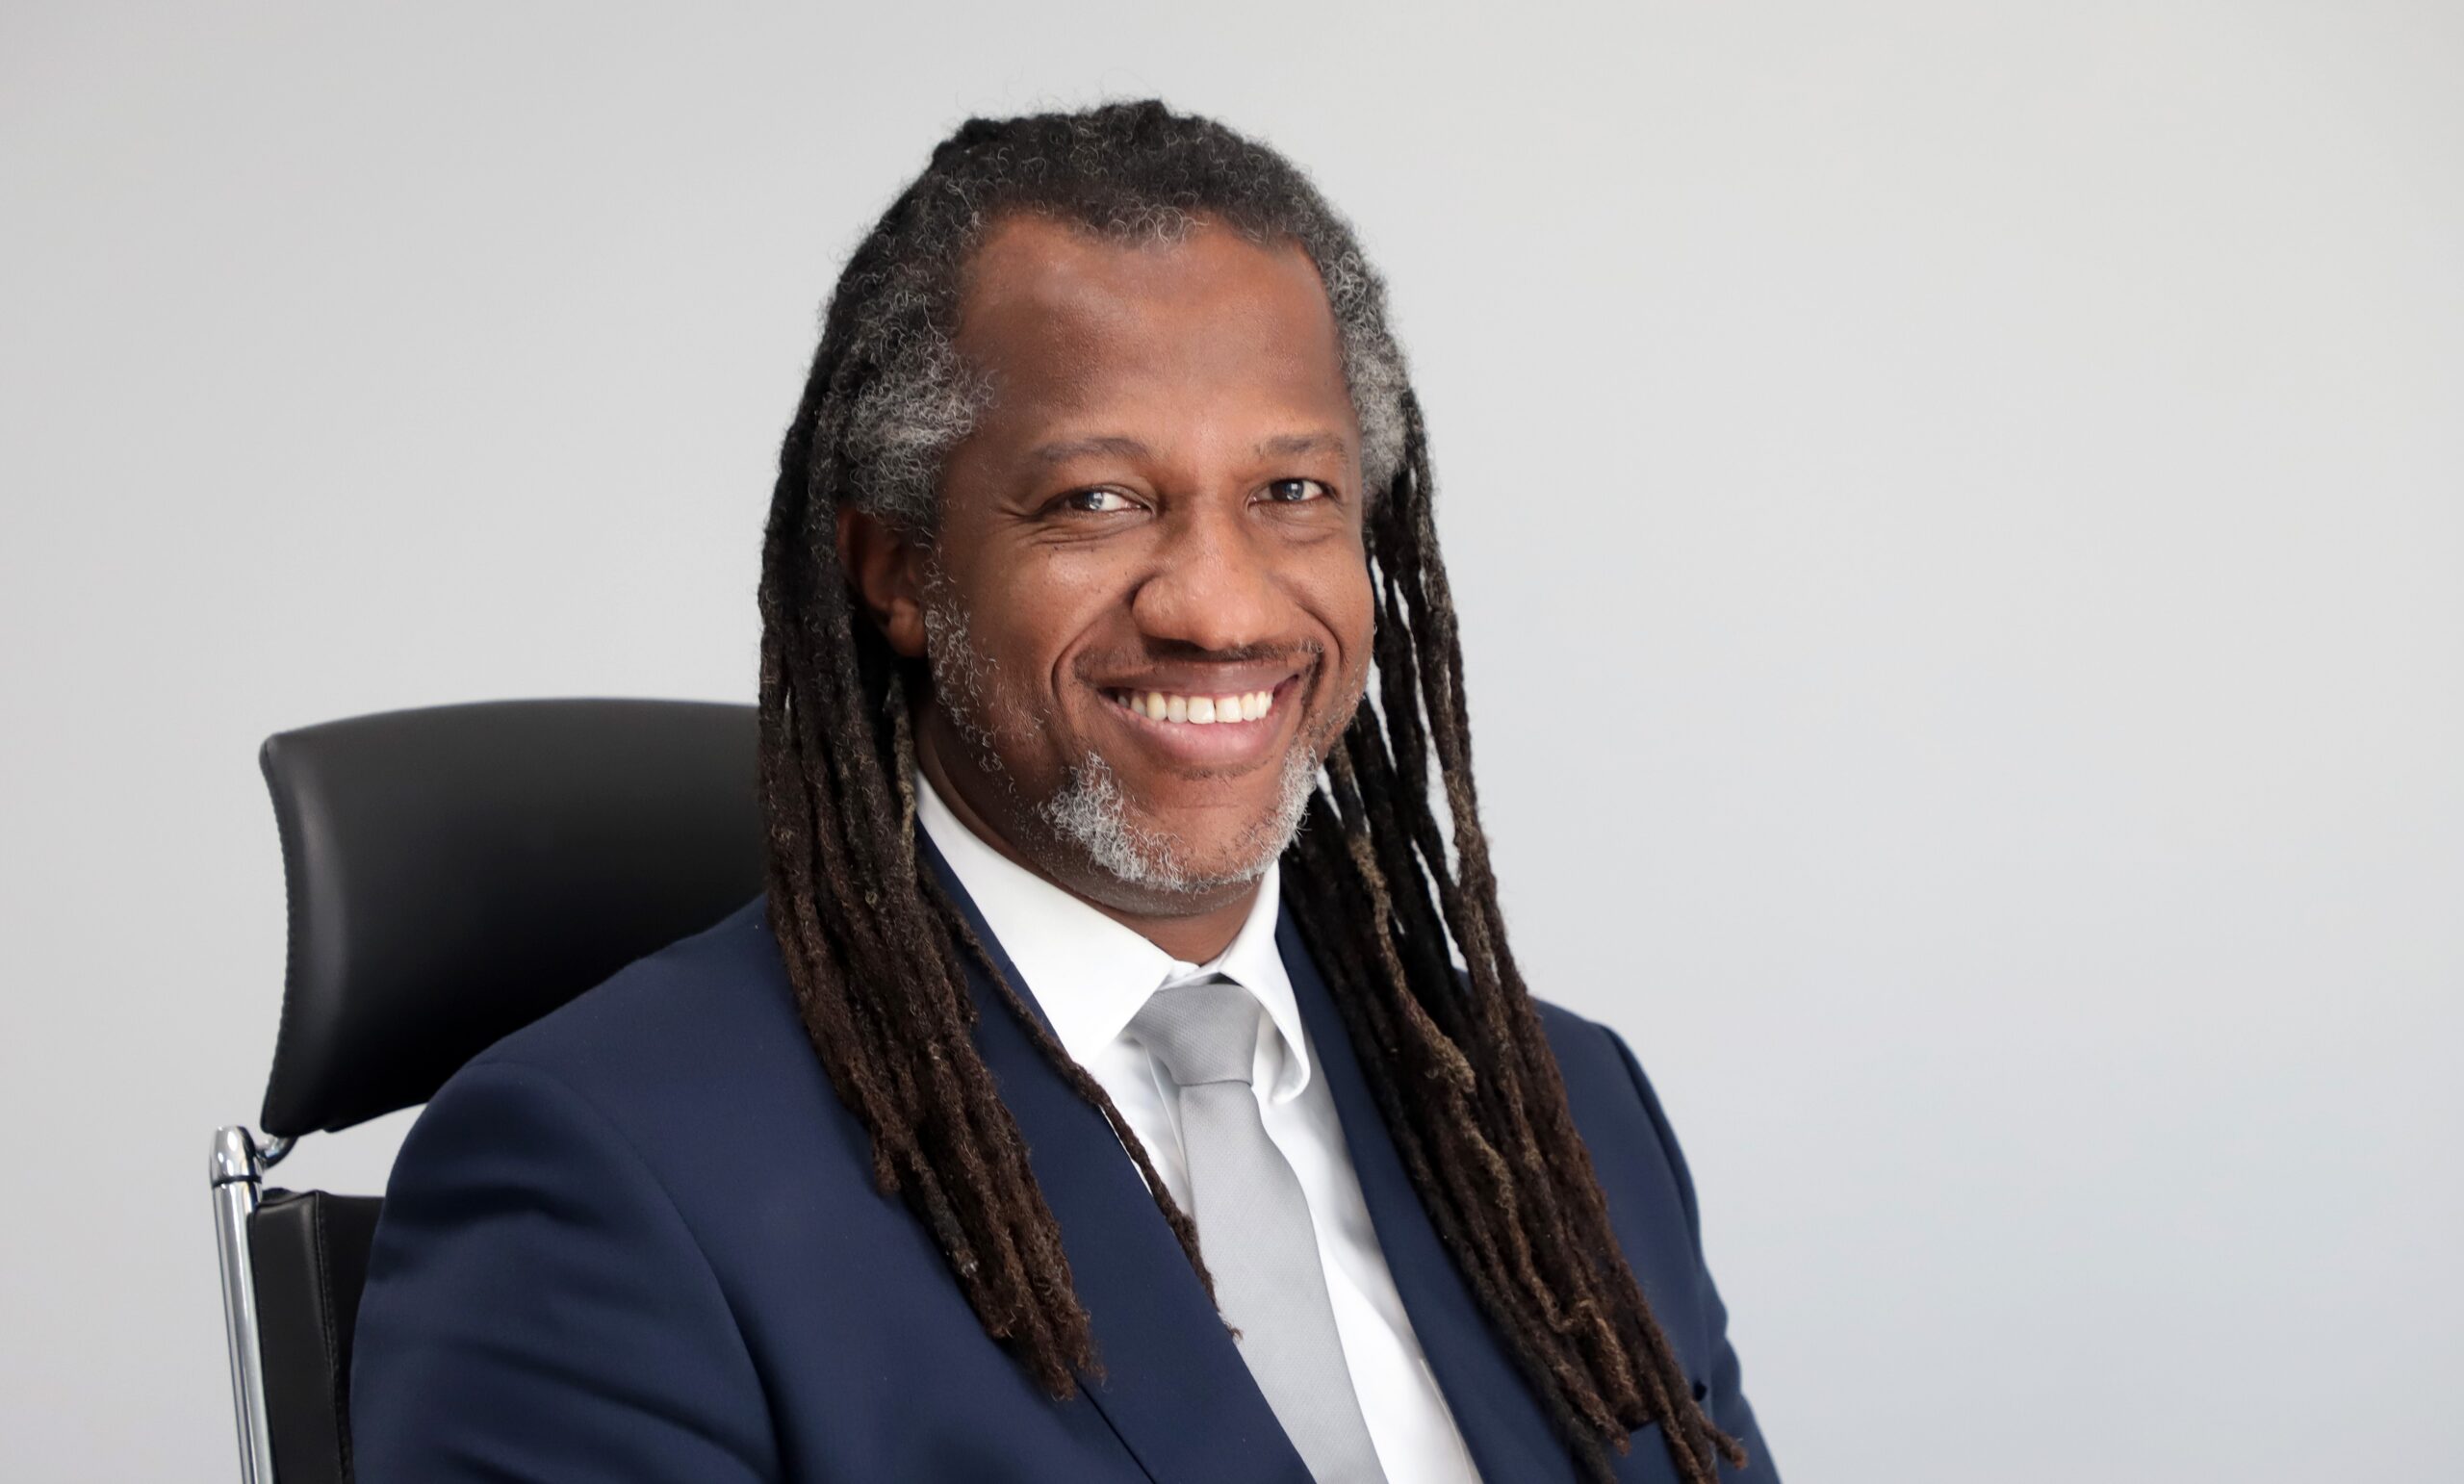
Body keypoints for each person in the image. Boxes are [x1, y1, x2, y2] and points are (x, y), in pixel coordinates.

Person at [349, 99, 1777, 1484]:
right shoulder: (611, 1178)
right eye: (1099, 500)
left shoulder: (1561, 1116)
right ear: (899, 570)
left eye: (1291, 493)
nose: (1221, 609)